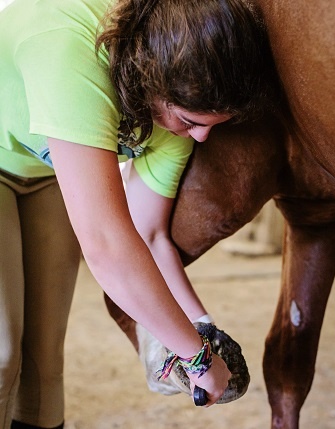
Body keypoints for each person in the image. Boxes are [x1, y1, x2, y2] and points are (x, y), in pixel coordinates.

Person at [0, 0, 274, 427]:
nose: (201, 137)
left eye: (212, 124)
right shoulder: (72, 54)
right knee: (1, 354)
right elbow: (107, 245)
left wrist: (203, 328)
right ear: (154, 80)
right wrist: (195, 356)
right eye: (191, 121)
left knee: (44, 358)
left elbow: (148, 234)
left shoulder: (174, 120)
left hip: (48, 169)